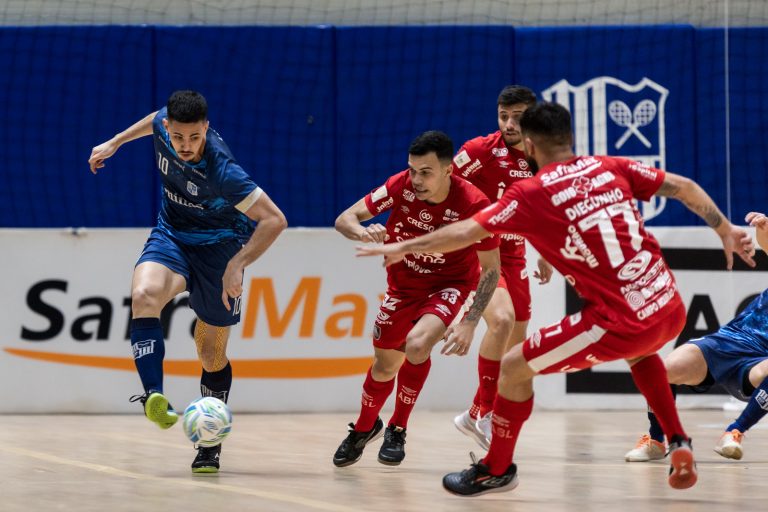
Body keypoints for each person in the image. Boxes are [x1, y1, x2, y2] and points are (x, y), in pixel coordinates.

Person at [357, 102, 756, 495]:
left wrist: (403, 246)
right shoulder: (609, 166)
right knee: (641, 351)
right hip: (668, 305)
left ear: (529, 146)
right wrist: (724, 229)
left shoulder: (529, 193)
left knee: (513, 367)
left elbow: (464, 233)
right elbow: (683, 187)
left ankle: (495, 469)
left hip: (618, 320)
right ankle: (677, 440)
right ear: (570, 138)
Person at [88, 90, 287, 473]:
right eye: (179, 137)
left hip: (221, 249)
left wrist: (237, 264)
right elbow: (153, 118)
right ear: (169, 129)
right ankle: (153, 396)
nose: (186, 145)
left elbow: (275, 219)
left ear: (206, 129)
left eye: (195, 137)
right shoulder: (164, 125)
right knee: (145, 294)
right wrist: (114, 142)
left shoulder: (223, 171)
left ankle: (210, 444)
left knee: (211, 353)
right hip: (173, 235)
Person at [332, 130, 501, 468]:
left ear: (448, 171)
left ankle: (397, 427)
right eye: (412, 170)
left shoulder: (475, 205)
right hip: (403, 287)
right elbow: (344, 220)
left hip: (450, 285)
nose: (416, 179)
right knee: (384, 366)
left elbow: (491, 270)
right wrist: (365, 232)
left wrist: (469, 321)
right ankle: (365, 427)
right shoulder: (400, 186)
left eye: (426, 172)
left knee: (417, 344)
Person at [452, 85, 553, 449]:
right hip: (477, 253)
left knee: (516, 345)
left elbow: (538, 207)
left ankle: (475, 412)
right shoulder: (479, 151)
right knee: (502, 320)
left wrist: (544, 250)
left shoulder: (539, 154)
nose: (509, 124)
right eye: (503, 116)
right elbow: (436, 184)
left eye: (518, 117)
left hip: (515, 254)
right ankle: (489, 413)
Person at [626, 210, 768, 463]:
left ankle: (735, 431)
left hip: (758, 363)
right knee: (665, 369)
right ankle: (657, 439)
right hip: (728, 341)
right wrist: (763, 226)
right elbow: (766, 243)